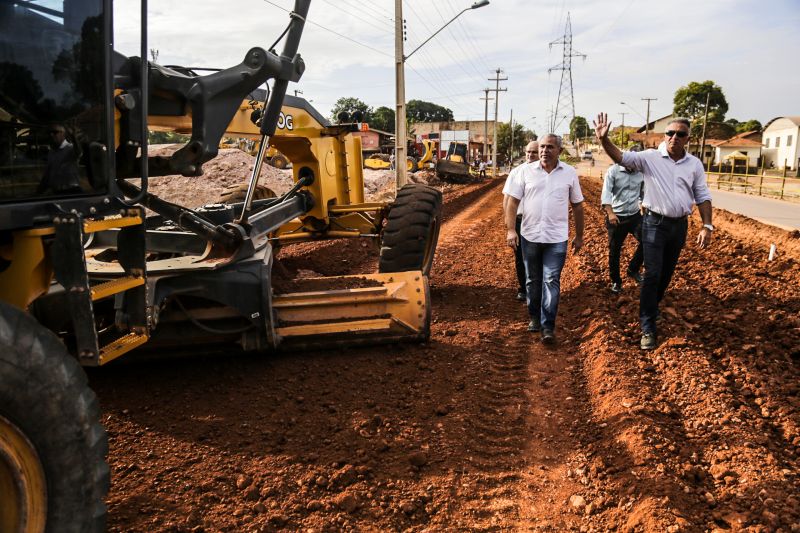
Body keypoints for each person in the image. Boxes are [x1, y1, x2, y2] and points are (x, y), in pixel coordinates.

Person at [594, 113, 713, 350]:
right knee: (653, 274)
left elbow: (702, 195)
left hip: (679, 226)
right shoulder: (650, 158)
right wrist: (604, 140)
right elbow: (620, 157)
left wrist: (707, 225)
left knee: (666, 274)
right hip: (653, 223)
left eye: (680, 134)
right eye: (670, 133)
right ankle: (647, 326)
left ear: (688, 138)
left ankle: (652, 305)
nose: (674, 138)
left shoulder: (694, 164)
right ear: (664, 136)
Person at [504, 134, 584, 344]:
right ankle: (534, 317)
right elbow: (512, 202)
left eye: (549, 147)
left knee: (551, 280)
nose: (544, 151)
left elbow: (577, 205)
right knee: (532, 279)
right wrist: (511, 230)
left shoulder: (569, 173)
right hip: (529, 235)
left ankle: (548, 326)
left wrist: (580, 235)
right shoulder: (525, 172)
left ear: (559, 150)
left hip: (557, 238)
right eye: (542, 147)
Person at [601, 155, 644, 294]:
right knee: (615, 250)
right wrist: (610, 213)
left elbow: (643, 193)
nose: (634, 165)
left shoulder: (641, 172)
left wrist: (643, 205)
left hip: (634, 215)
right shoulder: (613, 171)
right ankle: (616, 281)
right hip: (616, 216)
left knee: (648, 240)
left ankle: (633, 269)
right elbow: (606, 194)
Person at [502, 140, 539, 302]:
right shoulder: (516, 172)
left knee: (538, 256)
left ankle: (537, 288)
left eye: (534, 152)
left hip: (538, 221)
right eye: (528, 152)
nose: (530, 155)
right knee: (520, 256)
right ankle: (523, 289)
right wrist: (508, 224)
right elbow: (507, 198)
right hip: (519, 220)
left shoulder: (546, 173)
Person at [37, 124, 81, 194]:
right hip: (57, 192)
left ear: (63, 134)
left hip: (72, 191)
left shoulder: (70, 148)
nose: (51, 135)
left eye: (55, 132)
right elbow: (48, 173)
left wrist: (73, 136)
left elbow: (78, 151)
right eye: (49, 133)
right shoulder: (52, 152)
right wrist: (39, 192)